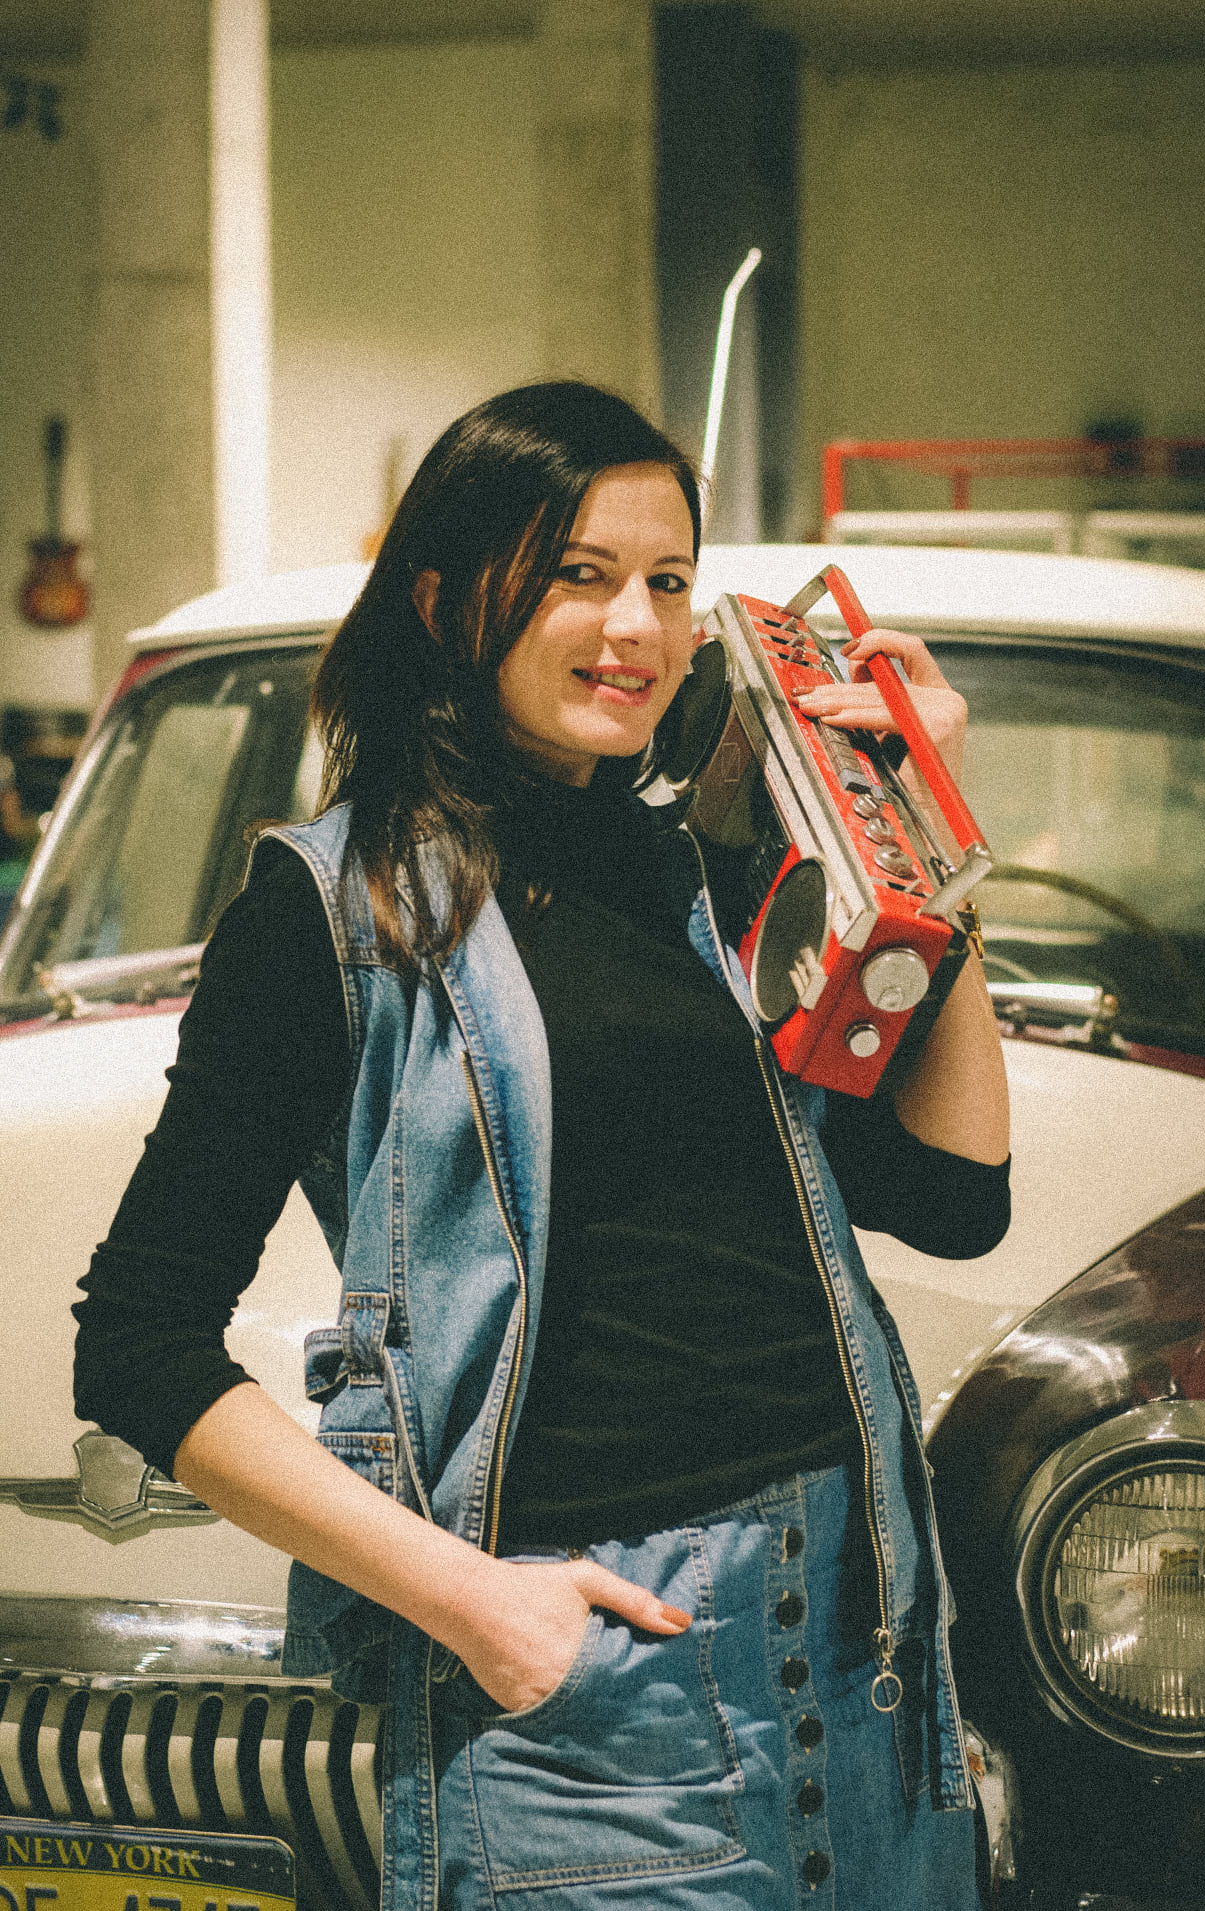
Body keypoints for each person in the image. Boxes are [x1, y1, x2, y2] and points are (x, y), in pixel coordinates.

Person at [74, 381, 1010, 1911]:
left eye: (667, 581)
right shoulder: (334, 911)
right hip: (599, 1703)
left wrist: (917, 828)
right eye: (580, 574)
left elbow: (954, 1195)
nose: (635, 625)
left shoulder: (709, 876)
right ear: (445, 598)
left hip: (867, 1649)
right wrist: (473, 1605)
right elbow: (136, 1343)